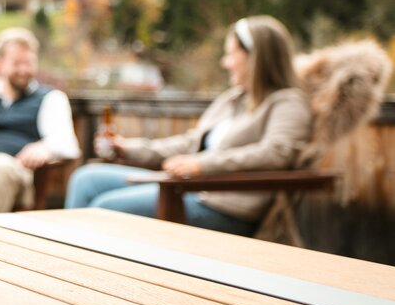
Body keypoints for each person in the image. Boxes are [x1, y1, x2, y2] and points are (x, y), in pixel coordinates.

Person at [66, 15, 312, 235]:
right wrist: (130, 148)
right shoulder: (232, 100)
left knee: (105, 208)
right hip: (187, 188)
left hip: (223, 205)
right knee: (86, 179)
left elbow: (277, 153)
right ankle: (68, 261)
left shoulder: (287, 102)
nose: (224, 63)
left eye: (230, 54)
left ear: (255, 57)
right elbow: (190, 142)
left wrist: (202, 164)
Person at [0, 27, 81, 213]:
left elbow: (68, 143)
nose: (24, 70)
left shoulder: (50, 98)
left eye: (29, 63)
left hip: (15, 172)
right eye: (17, 63)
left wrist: (46, 147)